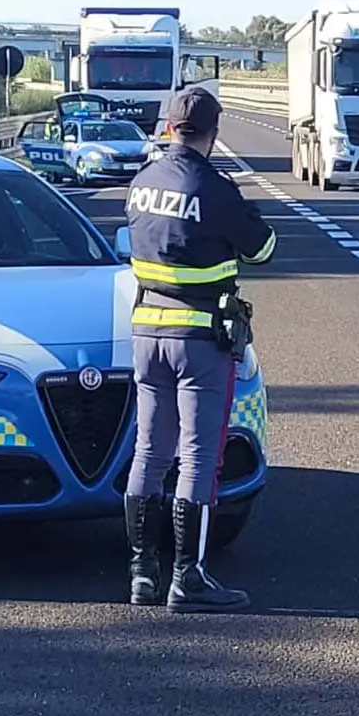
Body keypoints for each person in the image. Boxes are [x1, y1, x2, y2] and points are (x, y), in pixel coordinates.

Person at [122, 86, 277, 613]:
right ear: (214, 131)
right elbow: (264, 248)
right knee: (197, 458)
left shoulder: (142, 183)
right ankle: (188, 578)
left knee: (149, 452)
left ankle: (142, 573)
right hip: (199, 340)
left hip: (146, 333)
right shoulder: (214, 189)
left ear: (168, 128)